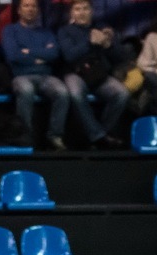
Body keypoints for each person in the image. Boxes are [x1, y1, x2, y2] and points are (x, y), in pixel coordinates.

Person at [56, 0, 129, 150]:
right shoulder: (64, 31)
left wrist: (108, 44)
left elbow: (120, 57)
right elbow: (69, 56)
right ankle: (99, 137)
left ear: (92, 11)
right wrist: (89, 41)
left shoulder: (102, 28)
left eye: (85, 8)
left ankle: (100, 134)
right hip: (75, 73)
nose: (82, 13)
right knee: (75, 93)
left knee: (122, 93)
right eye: (77, 9)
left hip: (98, 74)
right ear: (72, 13)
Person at [3, 0, 70, 152]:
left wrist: (28, 52)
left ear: (38, 10)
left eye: (33, 6)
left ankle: (54, 136)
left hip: (46, 76)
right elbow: (13, 56)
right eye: (26, 6)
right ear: (19, 10)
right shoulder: (10, 30)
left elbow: (54, 54)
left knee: (62, 92)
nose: (30, 9)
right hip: (21, 76)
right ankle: (24, 136)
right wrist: (41, 55)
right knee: (26, 90)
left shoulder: (47, 32)